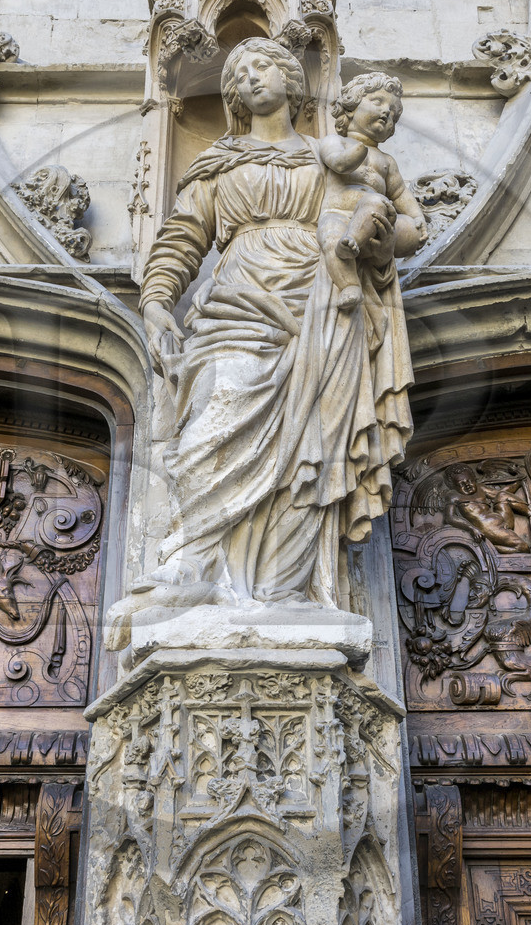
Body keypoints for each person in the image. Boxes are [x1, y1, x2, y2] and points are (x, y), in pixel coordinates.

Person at [133, 37, 425, 611]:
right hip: (239, 300)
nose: (249, 78)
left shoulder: (334, 155)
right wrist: (157, 300)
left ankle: (281, 588)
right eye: (238, 73)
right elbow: (184, 237)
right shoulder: (218, 164)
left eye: (262, 66)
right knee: (214, 421)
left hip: (322, 300)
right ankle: (194, 559)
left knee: (313, 446)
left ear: (293, 82)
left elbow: (394, 225)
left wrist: (374, 237)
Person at [315, 72, 419, 313]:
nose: (387, 112)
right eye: (378, 102)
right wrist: (355, 153)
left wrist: (417, 218)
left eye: (393, 112)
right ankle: (349, 285)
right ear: (350, 107)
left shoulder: (387, 160)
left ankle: (356, 241)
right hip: (337, 213)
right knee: (330, 239)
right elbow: (338, 163)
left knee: (379, 205)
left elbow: (400, 192)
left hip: (374, 214)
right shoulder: (335, 141)